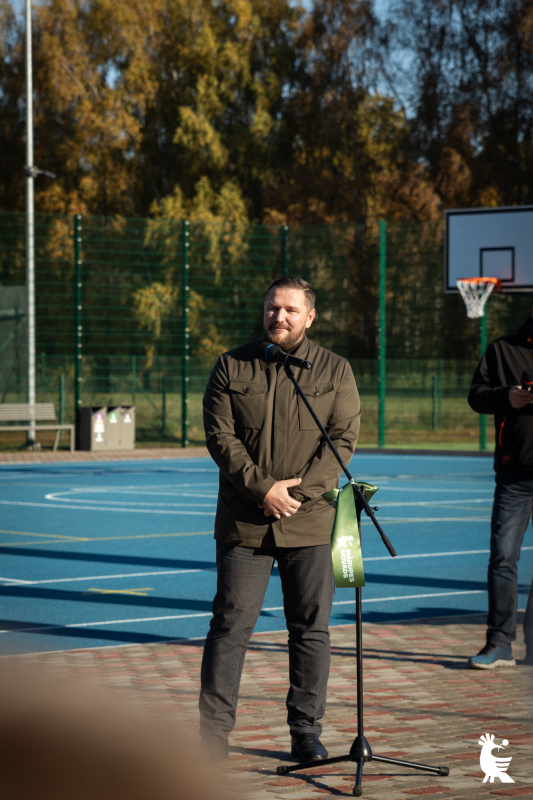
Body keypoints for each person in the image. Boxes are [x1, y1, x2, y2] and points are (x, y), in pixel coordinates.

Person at [199, 276, 360, 761]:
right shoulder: (230, 365)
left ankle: (305, 732)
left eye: (291, 310)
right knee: (230, 626)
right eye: (273, 307)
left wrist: (297, 495)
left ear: (310, 317)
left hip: (310, 522)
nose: (279, 317)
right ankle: (212, 738)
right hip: (245, 522)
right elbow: (220, 438)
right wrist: (263, 489)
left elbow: (343, 442)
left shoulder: (335, 370)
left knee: (311, 629)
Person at [468, 311, 533, 669]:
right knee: (503, 559)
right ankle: (499, 643)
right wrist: (507, 397)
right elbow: (476, 396)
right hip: (514, 474)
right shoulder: (503, 349)